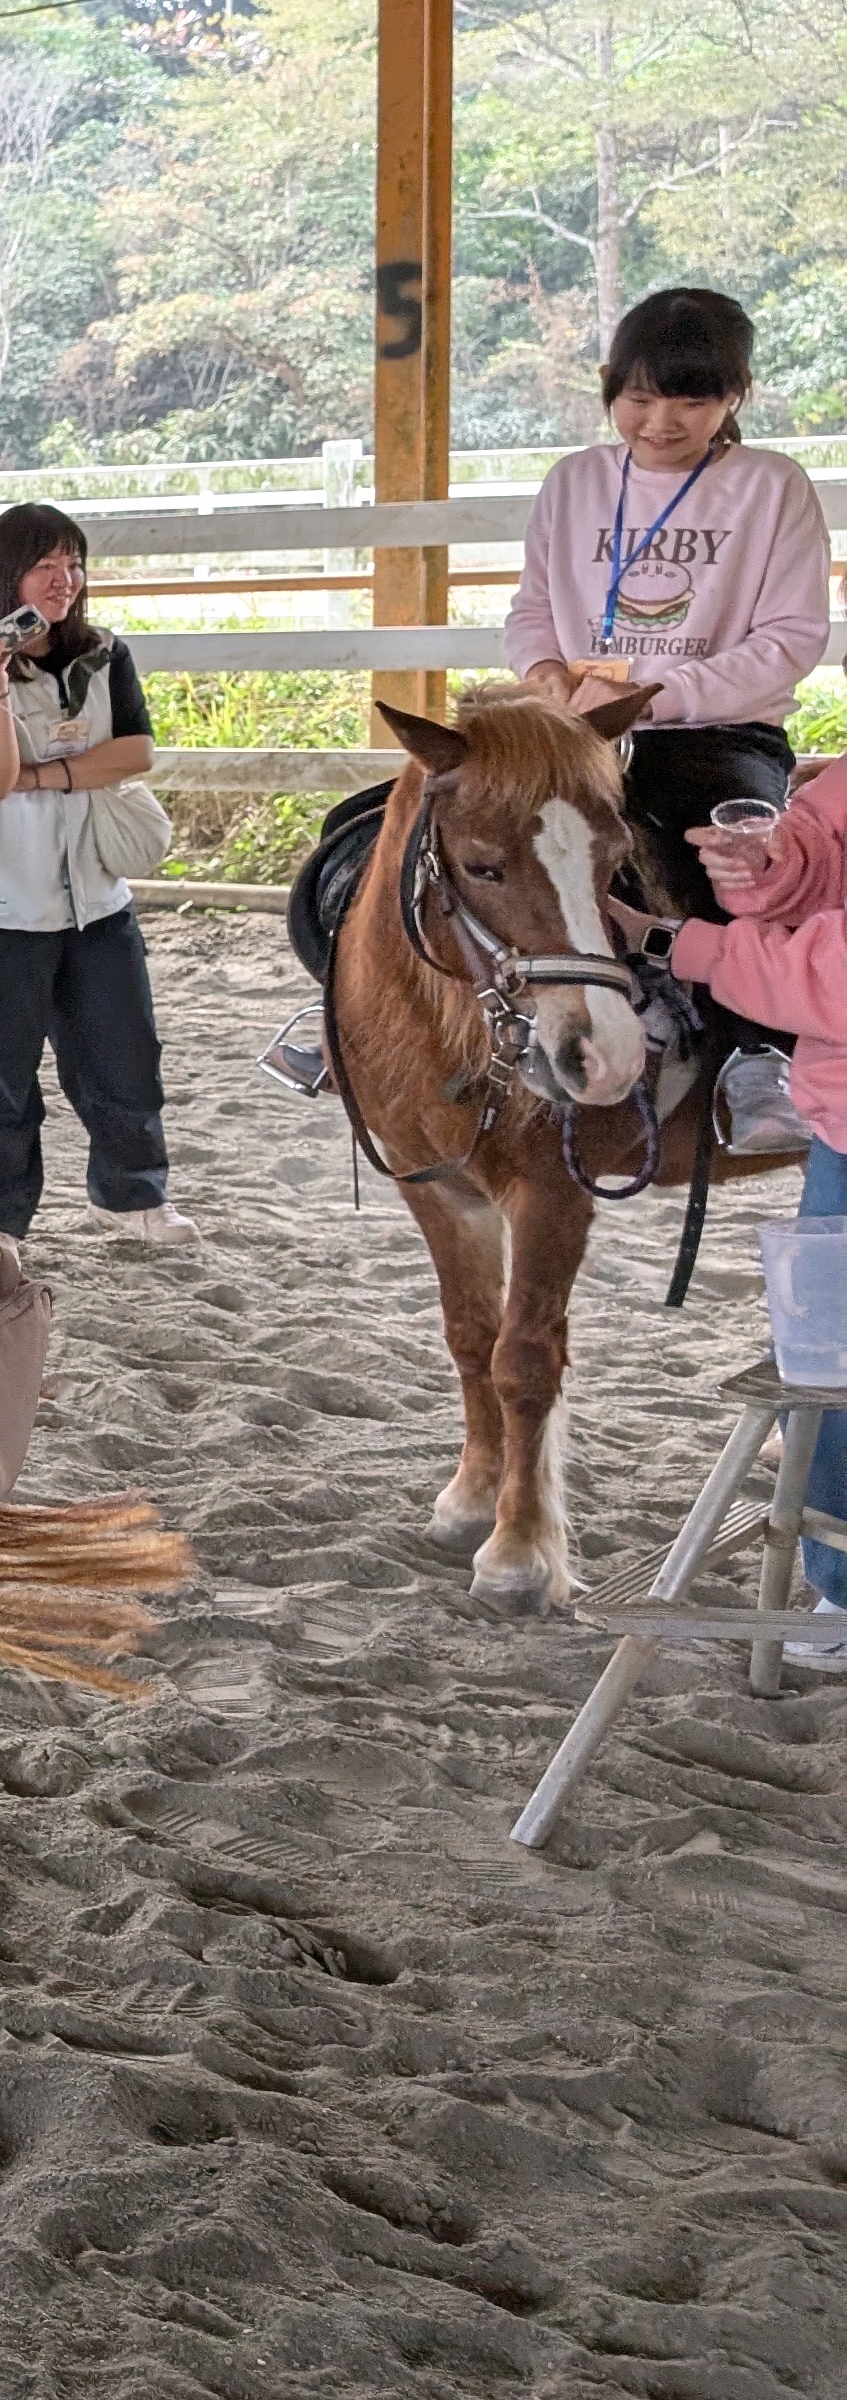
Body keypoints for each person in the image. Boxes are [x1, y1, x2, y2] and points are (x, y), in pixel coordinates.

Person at [503, 285, 830, 1151]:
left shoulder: (768, 487)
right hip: (571, 729)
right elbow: (532, 607)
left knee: (741, 851)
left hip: (717, 730)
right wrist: (543, 677)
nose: (660, 421)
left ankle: (758, 1058)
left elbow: (792, 636)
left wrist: (660, 695)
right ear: (612, 390)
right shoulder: (575, 481)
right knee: (441, 819)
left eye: (691, 399)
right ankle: (364, 1010)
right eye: (640, 398)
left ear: (733, 397)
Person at [0, 501, 191, 1243]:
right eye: (46, 565)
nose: (64, 580)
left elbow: (136, 751)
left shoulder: (104, 653)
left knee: (123, 1054)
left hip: (96, 895)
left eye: (73, 564)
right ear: (6, 574)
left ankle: (137, 1198)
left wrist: (54, 777)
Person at [670, 794, 847, 1663]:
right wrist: (770, 863)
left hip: (711, 720)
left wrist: (689, 946)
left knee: (831, 1362)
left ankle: (749, 1052)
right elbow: (821, 843)